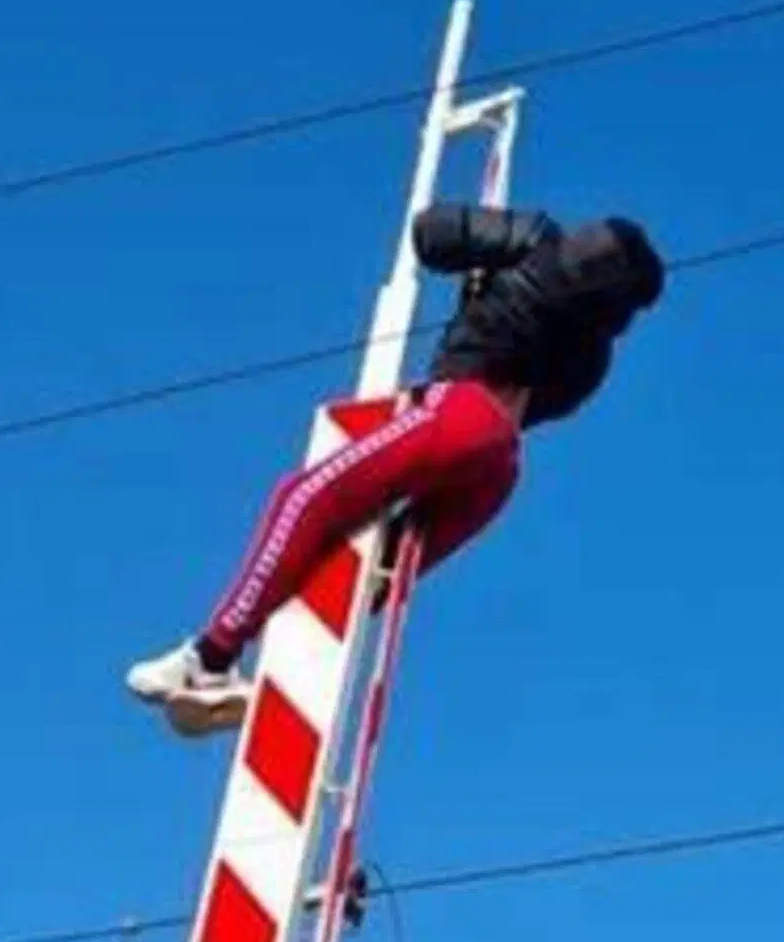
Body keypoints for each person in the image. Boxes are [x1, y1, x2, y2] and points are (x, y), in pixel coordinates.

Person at [124, 201, 666, 737]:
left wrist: (483, 264)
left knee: (303, 498)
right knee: (374, 571)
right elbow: (554, 406)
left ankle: (210, 658)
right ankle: (291, 671)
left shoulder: (535, 240)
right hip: (498, 467)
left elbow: (431, 234)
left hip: (460, 412)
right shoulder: (595, 355)